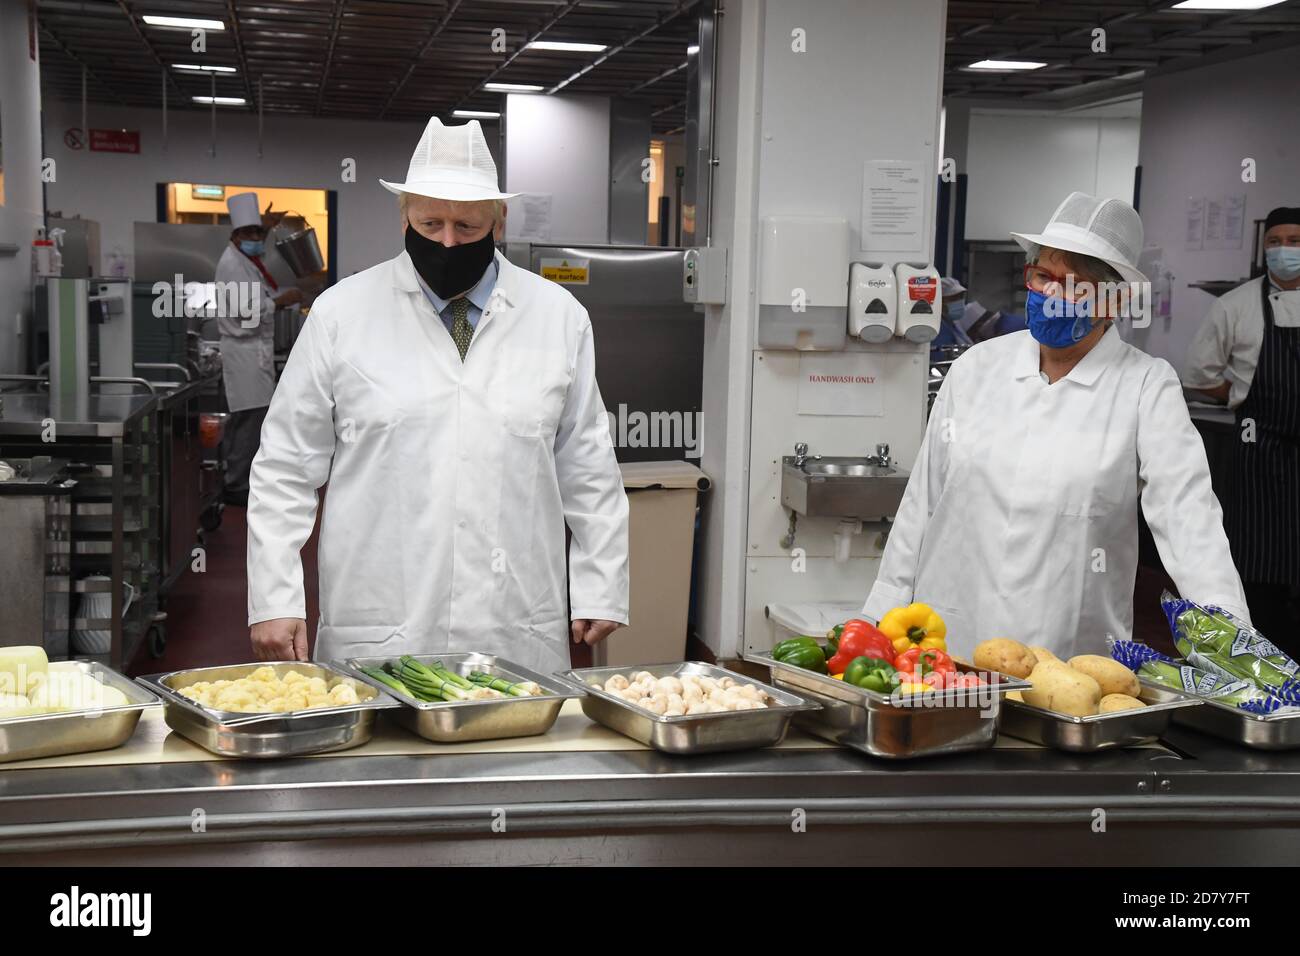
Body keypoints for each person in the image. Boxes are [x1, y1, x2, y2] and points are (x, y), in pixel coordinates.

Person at [245, 118, 629, 673]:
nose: (447, 241)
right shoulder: (341, 315)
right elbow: (285, 465)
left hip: (515, 620)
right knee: (378, 756)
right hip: (381, 619)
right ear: (402, 215)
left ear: (499, 223)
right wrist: (275, 598)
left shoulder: (559, 318)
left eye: (466, 227)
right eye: (430, 223)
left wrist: (601, 582)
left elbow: (587, 464)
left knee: (515, 750)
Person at [863, 192, 1250, 660]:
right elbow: (920, 505)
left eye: (1075, 286)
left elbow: (1188, 518)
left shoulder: (1145, 386)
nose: (1051, 294)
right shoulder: (977, 369)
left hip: (1067, 659)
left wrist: (1232, 642)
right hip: (949, 645)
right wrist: (879, 623)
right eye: (1043, 276)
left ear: (1115, 300)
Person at [1183, 206, 1300, 653]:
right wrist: (1238, 393)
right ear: (1263, 248)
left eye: (1293, 241)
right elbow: (1198, 374)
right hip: (1259, 447)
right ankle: (1262, 652)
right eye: (1275, 242)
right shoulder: (1237, 305)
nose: (1284, 251)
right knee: (1257, 560)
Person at [214, 192, 302, 507]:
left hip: (253, 354)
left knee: (253, 420)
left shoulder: (246, 261)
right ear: (235, 235)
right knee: (247, 421)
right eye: (250, 233)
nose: (256, 238)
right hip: (244, 354)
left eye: (258, 233)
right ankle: (235, 484)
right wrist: (281, 301)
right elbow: (246, 312)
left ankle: (241, 477)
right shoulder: (233, 266)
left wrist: (267, 225)